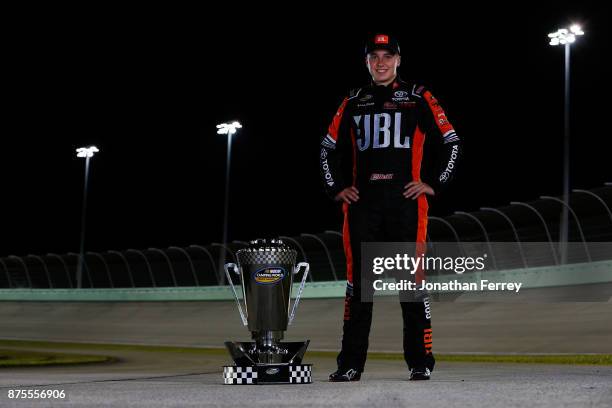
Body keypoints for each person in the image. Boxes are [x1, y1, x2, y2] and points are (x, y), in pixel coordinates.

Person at [320, 33, 462, 381]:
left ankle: (420, 362)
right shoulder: (353, 99)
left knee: (412, 284)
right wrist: (337, 188)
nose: (380, 62)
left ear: (399, 59)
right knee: (358, 287)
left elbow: (451, 142)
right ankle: (350, 365)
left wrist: (434, 184)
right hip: (362, 208)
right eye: (374, 57)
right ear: (366, 62)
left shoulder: (418, 96)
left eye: (387, 56)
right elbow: (327, 149)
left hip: (407, 206)